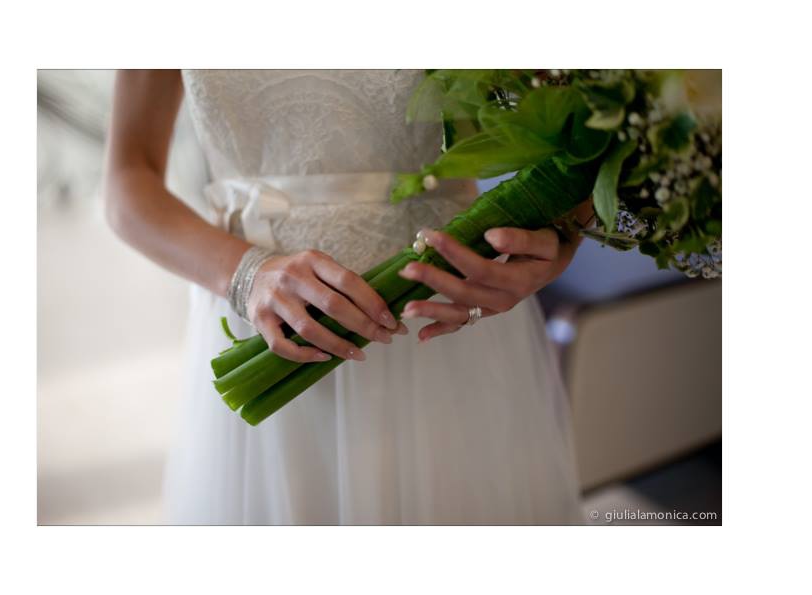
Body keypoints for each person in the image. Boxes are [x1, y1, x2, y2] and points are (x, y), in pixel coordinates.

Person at [104, 69, 594, 524]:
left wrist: (566, 236)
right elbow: (128, 181)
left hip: (437, 325)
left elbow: (586, 127)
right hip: (266, 324)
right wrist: (247, 274)